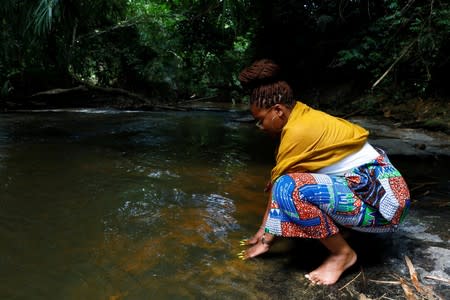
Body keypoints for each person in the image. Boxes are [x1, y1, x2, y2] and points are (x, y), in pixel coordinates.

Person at [237, 59, 410, 285]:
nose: (260, 128)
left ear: (278, 111)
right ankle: (345, 233)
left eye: (260, 121)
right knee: (293, 183)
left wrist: (265, 237)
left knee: (287, 187)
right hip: (385, 192)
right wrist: (267, 232)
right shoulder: (302, 113)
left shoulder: (298, 132)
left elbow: (281, 186)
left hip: (385, 206)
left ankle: (342, 255)